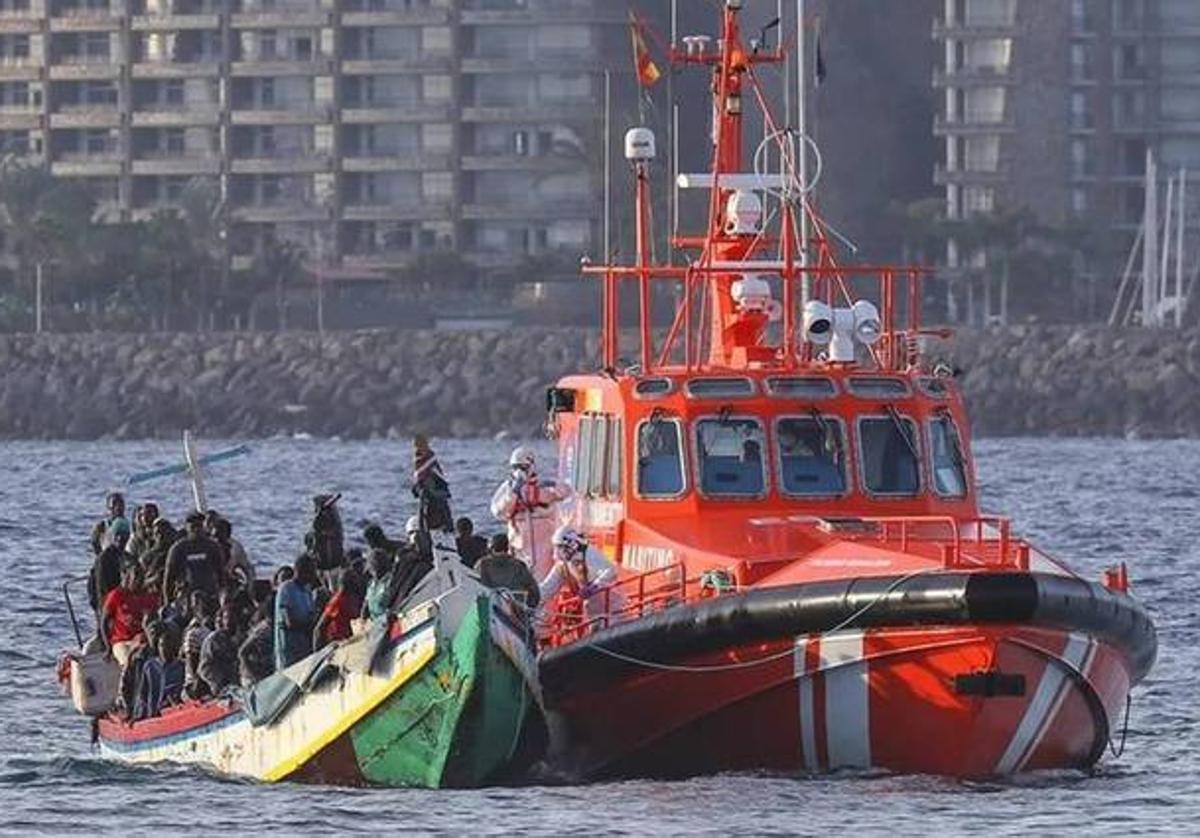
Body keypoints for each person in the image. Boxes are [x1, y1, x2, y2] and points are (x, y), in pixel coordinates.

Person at [490, 446, 573, 580]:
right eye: (516, 467)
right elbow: (498, 511)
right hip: (520, 544)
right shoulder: (508, 488)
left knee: (545, 579)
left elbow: (566, 492)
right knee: (521, 578)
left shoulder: (544, 485)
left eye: (523, 467)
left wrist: (549, 486)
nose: (519, 471)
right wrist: (514, 492)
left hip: (544, 544)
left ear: (531, 466)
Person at [539, 525, 623, 621]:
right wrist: (531, 597)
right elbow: (548, 587)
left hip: (613, 609)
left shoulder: (589, 554)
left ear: (571, 544)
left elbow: (610, 571)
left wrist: (594, 586)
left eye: (561, 547)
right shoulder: (562, 565)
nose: (558, 551)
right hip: (593, 612)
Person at [100, 563, 160, 666]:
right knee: (129, 661)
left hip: (143, 639)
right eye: (135, 578)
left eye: (140, 579)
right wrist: (108, 647)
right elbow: (104, 621)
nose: (137, 582)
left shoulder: (150, 597)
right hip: (121, 641)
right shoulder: (117, 595)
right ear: (129, 578)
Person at [162, 511, 225, 603]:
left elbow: (221, 574)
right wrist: (168, 601)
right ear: (187, 528)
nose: (196, 530)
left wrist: (221, 595)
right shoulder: (178, 548)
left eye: (199, 526)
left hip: (210, 595)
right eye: (193, 527)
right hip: (186, 597)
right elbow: (169, 578)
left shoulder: (213, 546)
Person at [274, 554, 319, 671]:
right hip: (289, 652)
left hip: (303, 650)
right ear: (302, 570)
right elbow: (289, 622)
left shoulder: (307, 591)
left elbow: (311, 615)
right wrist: (310, 625)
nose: (315, 575)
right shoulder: (286, 589)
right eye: (312, 571)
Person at [135, 622, 185, 720]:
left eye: (168, 645)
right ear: (158, 647)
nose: (164, 649)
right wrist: (140, 714)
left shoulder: (181, 666)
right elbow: (142, 693)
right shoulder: (150, 666)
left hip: (175, 710)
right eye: (161, 645)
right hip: (155, 713)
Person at [477, 533, 539, 609]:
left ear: (492, 548)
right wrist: (531, 605)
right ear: (507, 548)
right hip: (517, 609)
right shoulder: (519, 565)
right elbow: (534, 591)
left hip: (492, 606)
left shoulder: (482, 565)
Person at [89, 517, 132, 617]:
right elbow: (103, 588)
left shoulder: (128, 557)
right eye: (118, 535)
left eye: (124, 535)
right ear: (112, 536)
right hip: (109, 606)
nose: (121, 539)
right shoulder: (104, 558)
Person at [411, 436, 453, 533]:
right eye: (416, 446)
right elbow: (418, 474)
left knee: (442, 507)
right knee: (424, 509)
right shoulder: (417, 458)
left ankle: (447, 527)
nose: (417, 448)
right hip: (424, 487)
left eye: (420, 445)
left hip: (435, 485)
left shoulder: (430, 457)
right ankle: (424, 530)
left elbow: (437, 472)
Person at [313, 568, 363, 649]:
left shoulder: (352, 599)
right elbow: (319, 629)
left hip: (349, 642)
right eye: (353, 580)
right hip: (335, 644)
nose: (356, 583)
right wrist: (317, 655)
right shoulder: (337, 600)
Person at [199, 603, 241, 696]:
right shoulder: (214, 640)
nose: (229, 621)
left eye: (232, 617)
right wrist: (220, 681)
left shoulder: (241, 638)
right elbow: (204, 668)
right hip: (221, 689)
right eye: (226, 618)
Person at [182, 592, 215, 700]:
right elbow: (192, 661)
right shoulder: (193, 631)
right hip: (196, 687)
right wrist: (198, 683)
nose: (204, 605)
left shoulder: (213, 626)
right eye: (199, 603)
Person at [238, 599, 275, 687]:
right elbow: (242, 652)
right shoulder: (263, 630)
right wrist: (253, 675)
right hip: (253, 678)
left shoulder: (275, 627)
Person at [308, 494, 345, 580]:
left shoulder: (335, 523)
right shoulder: (316, 523)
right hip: (320, 565)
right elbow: (313, 543)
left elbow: (337, 535)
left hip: (335, 564)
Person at [212, 517, 255, 588]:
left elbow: (247, 568)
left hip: (227, 583)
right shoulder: (207, 547)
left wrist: (249, 585)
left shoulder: (236, 548)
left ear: (228, 536)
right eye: (214, 537)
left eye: (220, 537)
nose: (216, 540)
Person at [361, 548, 395, 621]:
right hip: (375, 624)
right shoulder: (371, 585)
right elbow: (366, 604)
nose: (372, 571)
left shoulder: (392, 580)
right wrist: (363, 619)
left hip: (388, 621)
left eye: (375, 565)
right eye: (372, 566)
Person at [91, 492, 129, 556]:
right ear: (108, 507)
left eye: (121, 504)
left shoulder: (130, 525)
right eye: (114, 504)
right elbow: (95, 546)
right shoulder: (101, 526)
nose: (118, 507)